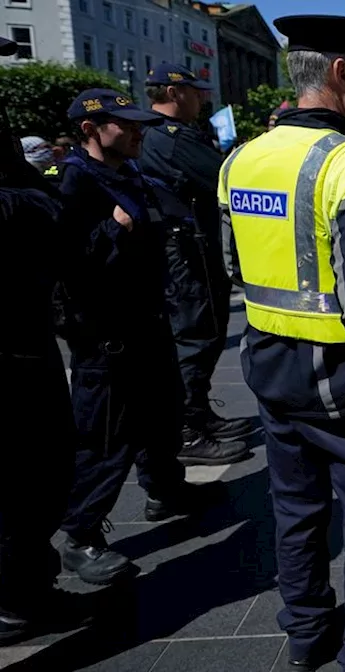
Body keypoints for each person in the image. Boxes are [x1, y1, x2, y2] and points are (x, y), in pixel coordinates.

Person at [220, 15, 345, 670]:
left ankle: (308, 637)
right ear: (341, 72)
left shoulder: (241, 159)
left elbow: (234, 268)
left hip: (270, 373)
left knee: (297, 515)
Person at [57, 89, 214, 586]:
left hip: (148, 322)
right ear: (90, 128)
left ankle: (166, 490)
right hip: (106, 337)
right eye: (124, 125)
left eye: (138, 124)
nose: (136, 132)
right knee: (105, 439)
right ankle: (80, 538)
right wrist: (114, 229)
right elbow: (68, 263)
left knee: (161, 417)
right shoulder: (73, 183)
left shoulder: (130, 173)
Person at [0, 34, 83, 643]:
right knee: (26, 475)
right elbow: (27, 210)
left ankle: (27, 585)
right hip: (10, 341)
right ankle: (14, 599)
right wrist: (40, 204)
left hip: (22, 328)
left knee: (41, 471)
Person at [137, 62, 256, 455]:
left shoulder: (169, 135)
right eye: (194, 91)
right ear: (173, 94)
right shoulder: (170, 137)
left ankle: (198, 413)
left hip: (194, 250)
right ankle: (187, 429)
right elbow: (223, 176)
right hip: (187, 254)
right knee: (195, 339)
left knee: (205, 335)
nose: (202, 98)